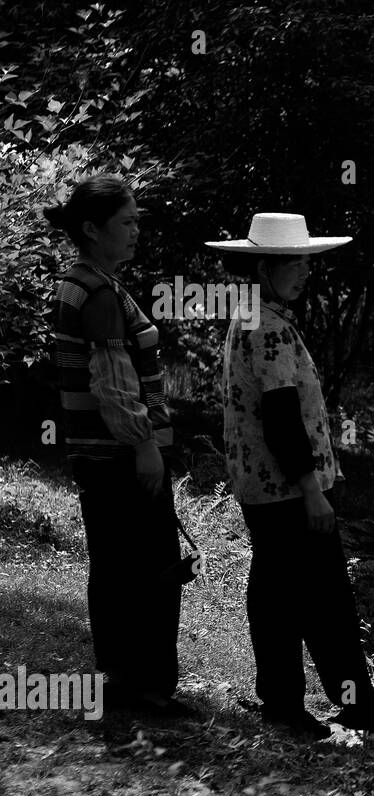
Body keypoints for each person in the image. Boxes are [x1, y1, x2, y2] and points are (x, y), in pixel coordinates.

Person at [209, 213, 374, 738]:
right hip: (285, 488)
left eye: (306, 260)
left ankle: (288, 704)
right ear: (265, 266)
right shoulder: (265, 325)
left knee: (277, 594)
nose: (305, 270)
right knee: (323, 597)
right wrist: (312, 491)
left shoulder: (259, 316)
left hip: (265, 486)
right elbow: (283, 418)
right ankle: (348, 703)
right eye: (295, 262)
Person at [44, 176, 190, 717]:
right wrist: (145, 445)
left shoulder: (86, 281)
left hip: (97, 455)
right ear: (91, 228)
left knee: (114, 568)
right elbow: (114, 380)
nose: (136, 231)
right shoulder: (100, 292)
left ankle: (122, 682)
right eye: (126, 222)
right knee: (150, 569)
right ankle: (146, 687)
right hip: (120, 455)